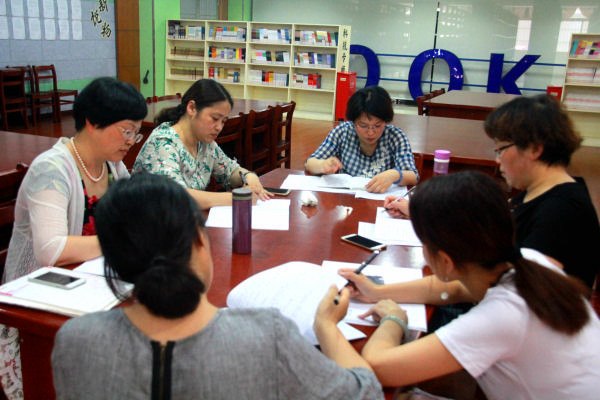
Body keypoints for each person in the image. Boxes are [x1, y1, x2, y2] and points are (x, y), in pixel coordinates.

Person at [51, 172, 382, 400]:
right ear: (199, 240)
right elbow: (365, 393)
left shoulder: (74, 340)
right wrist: (329, 326)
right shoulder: (267, 337)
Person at [315, 171, 600, 399]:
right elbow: (449, 289)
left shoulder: (500, 318)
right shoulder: (527, 260)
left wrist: (385, 321)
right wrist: (378, 291)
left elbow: (378, 369)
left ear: (446, 261)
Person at [1, 77, 147, 400]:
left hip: (92, 287)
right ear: (93, 122)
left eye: (136, 133)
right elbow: (51, 250)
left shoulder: (112, 166)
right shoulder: (52, 169)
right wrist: (124, 243)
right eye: (126, 131)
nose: (131, 141)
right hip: (35, 309)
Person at [383, 94, 600, 288]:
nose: (497, 160)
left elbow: (518, 290)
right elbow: (484, 229)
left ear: (534, 149)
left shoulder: (561, 213)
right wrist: (419, 213)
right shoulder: (537, 193)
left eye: (501, 149)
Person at [133, 79, 272, 209]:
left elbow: (230, 170)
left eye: (223, 121)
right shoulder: (162, 143)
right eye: (215, 118)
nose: (219, 127)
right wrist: (236, 198)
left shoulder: (204, 142)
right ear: (192, 108)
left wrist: (249, 176)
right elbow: (176, 196)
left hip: (185, 221)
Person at [305, 86, 418, 193]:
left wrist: (394, 175)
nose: (370, 132)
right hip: (346, 199)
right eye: (363, 126)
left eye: (377, 125)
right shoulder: (343, 132)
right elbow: (310, 163)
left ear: (386, 121)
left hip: (382, 201)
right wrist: (322, 165)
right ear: (353, 122)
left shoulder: (395, 136)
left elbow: (413, 176)